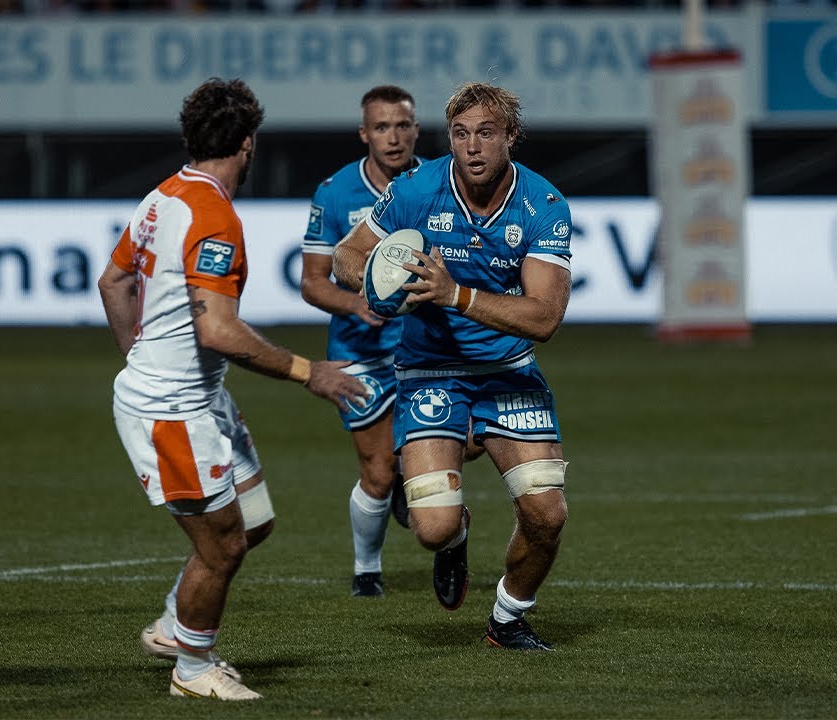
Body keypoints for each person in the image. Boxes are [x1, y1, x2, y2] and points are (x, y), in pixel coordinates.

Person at [98, 77, 370, 701]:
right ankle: (193, 670)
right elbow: (218, 331)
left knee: (253, 520)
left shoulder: (161, 197)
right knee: (222, 544)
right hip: (172, 409)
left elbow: (113, 282)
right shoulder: (213, 217)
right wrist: (311, 372)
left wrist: (136, 352)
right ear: (248, 143)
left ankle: (175, 626)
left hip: (199, 399)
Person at [332, 81, 572, 651]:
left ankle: (508, 618)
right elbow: (346, 254)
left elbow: (543, 318)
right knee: (433, 528)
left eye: (486, 133)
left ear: (511, 137)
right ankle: (457, 533)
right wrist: (375, 280)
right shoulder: (417, 187)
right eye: (461, 134)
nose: (472, 147)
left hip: (509, 372)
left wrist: (453, 295)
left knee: (547, 516)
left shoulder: (544, 204)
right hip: (430, 371)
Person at [299, 85, 422, 599]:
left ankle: (409, 484)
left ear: (415, 130)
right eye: (381, 127)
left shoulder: (437, 182)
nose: (393, 138)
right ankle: (366, 569)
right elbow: (312, 281)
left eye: (402, 126)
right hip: (359, 354)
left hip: (425, 348)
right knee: (377, 469)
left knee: (471, 441)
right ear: (363, 133)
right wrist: (355, 304)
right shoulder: (334, 194)